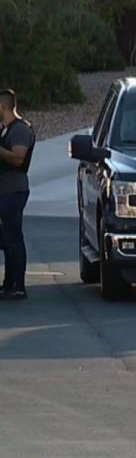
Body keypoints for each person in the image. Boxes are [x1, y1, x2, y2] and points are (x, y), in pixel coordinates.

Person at [0, 89, 36, 300]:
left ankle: (18, 285)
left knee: (13, 237)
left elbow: (18, 158)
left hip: (14, 190)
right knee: (8, 237)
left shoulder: (20, 130)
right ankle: (9, 282)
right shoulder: (5, 130)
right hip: (5, 190)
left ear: (3, 106)